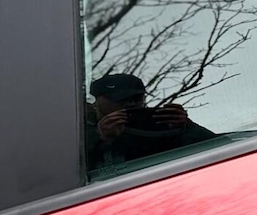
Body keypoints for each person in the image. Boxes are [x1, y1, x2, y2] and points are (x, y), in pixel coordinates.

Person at [85, 73, 215, 172]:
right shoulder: (78, 133)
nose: (130, 104)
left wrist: (185, 127)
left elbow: (214, 146)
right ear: (97, 101)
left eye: (136, 98)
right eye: (120, 99)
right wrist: (100, 139)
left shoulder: (159, 121)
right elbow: (74, 174)